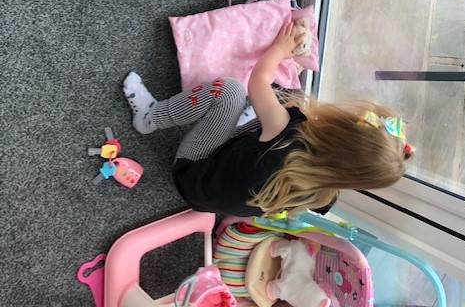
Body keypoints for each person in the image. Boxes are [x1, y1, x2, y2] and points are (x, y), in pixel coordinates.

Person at [122, 22, 413, 216]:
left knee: (231, 91)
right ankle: (245, 131)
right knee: (282, 102)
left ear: (339, 128)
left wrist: (279, 50)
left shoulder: (285, 130)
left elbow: (258, 79)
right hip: (212, 200)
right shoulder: (324, 194)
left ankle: (150, 117)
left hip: (193, 172)